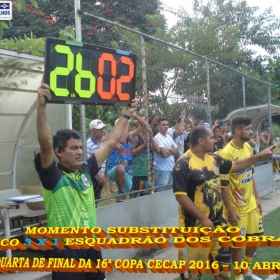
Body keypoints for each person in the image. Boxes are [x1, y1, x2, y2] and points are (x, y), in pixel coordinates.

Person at [34, 75, 138, 280]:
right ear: (59, 152)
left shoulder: (86, 169)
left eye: (81, 147)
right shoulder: (52, 176)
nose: (80, 152)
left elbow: (109, 144)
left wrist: (126, 114)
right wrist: (41, 107)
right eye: (74, 148)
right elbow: (45, 145)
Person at [172, 125, 275, 280]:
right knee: (192, 276)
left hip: (219, 227)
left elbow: (236, 166)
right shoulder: (183, 164)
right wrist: (202, 218)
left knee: (223, 273)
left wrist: (259, 156)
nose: (215, 140)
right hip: (194, 229)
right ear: (201, 141)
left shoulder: (214, 158)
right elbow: (181, 196)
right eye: (212, 138)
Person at [219, 117, 264, 280]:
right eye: (249, 129)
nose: (251, 132)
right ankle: (238, 276)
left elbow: (250, 174)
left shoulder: (247, 147)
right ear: (238, 131)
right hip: (236, 208)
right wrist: (229, 210)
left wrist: (257, 197)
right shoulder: (226, 153)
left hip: (251, 204)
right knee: (237, 244)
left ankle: (246, 268)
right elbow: (223, 186)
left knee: (256, 237)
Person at [106, 113, 144, 202]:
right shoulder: (113, 138)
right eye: (124, 126)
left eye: (127, 126)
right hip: (114, 169)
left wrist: (135, 116)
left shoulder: (130, 136)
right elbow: (121, 140)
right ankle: (121, 192)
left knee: (121, 199)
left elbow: (143, 125)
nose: (127, 127)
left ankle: (120, 197)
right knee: (120, 168)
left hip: (128, 172)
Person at [131, 117, 160, 197]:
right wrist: (143, 145)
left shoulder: (148, 136)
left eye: (148, 124)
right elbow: (131, 152)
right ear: (139, 125)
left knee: (145, 192)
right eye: (144, 124)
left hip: (146, 170)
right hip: (137, 170)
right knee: (136, 193)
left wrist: (151, 136)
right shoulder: (136, 137)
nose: (147, 126)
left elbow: (157, 149)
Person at [154, 118, 179, 192]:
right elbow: (164, 154)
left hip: (171, 167)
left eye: (167, 124)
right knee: (160, 191)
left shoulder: (168, 137)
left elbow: (177, 150)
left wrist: (168, 150)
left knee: (169, 190)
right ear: (159, 127)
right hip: (162, 169)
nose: (166, 126)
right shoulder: (158, 137)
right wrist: (171, 150)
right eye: (163, 125)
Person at [87, 119, 107, 205]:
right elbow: (88, 162)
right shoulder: (89, 144)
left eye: (102, 128)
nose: (102, 131)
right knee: (92, 200)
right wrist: (98, 174)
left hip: (100, 176)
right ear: (92, 130)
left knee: (97, 198)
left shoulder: (104, 141)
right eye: (99, 129)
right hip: (93, 177)